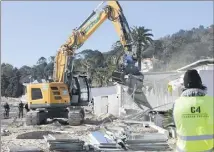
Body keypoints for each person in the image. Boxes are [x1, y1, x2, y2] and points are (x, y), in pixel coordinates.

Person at [173, 69, 213, 152]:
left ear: (184, 86)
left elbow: (175, 125)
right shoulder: (211, 102)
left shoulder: (177, 104)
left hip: (183, 150)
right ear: (200, 84)